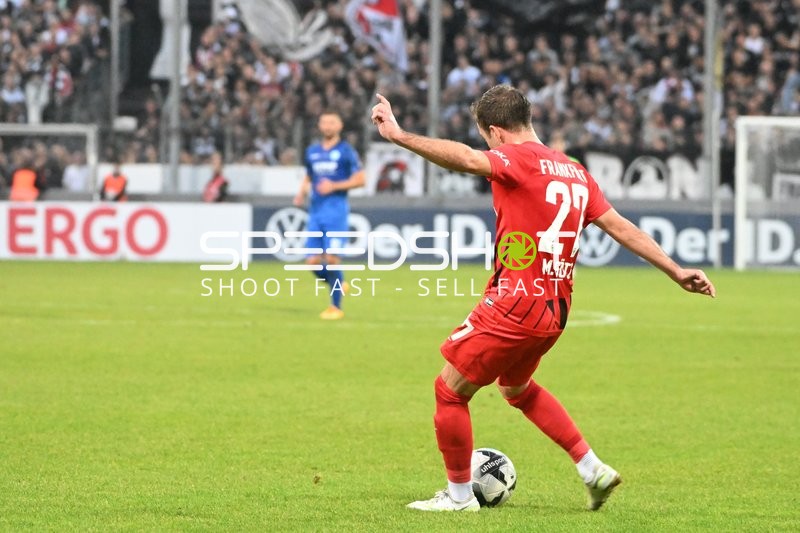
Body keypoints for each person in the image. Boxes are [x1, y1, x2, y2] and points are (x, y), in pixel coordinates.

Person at [370, 86, 716, 512]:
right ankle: (591, 468)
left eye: (485, 137)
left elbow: (464, 159)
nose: (485, 146)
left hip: (515, 303)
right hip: (554, 309)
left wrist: (401, 137)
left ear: (495, 132)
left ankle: (459, 498)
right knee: (516, 388)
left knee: (450, 392)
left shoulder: (516, 160)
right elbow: (622, 227)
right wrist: (676, 270)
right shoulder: (573, 170)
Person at [293, 111, 365, 320]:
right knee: (312, 262)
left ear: (340, 125)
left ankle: (335, 307)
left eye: (332, 122)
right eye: (324, 122)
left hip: (335, 212)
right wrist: (300, 193)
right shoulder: (312, 151)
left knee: (332, 259)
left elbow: (361, 179)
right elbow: (309, 175)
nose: (327, 125)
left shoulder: (346, 151)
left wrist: (334, 185)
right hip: (315, 212)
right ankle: (339, 283)